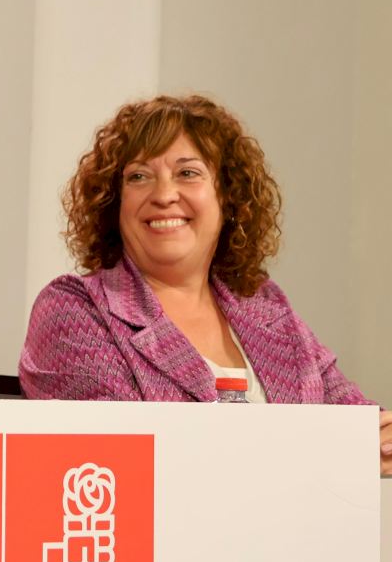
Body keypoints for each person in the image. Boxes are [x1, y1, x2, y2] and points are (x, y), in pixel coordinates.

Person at [19, 94, 391, 475]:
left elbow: (360, 424)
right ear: (115, 204)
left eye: (187, 173)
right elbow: (125, 462)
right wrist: (333, 454)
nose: (163, 195)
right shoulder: (75, 310)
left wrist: (379, 441)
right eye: (139, 177)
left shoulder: (264, 305)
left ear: (228, 198)